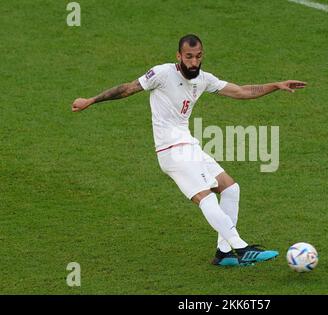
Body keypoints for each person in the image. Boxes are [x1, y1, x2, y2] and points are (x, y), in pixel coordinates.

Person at [71, 34, 307, 267]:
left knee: (231, 189)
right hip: (171, 150)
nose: (194, 62)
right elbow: (128, 88)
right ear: (179, 56)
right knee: (205, 195)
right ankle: (241, 248)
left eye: (198, 56)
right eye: (189, 57)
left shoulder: (203, 79)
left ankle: (224, 253)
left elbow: (242, 91)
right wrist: (91, 100)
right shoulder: (162, 73)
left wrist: (275, 85)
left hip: (189, 145)